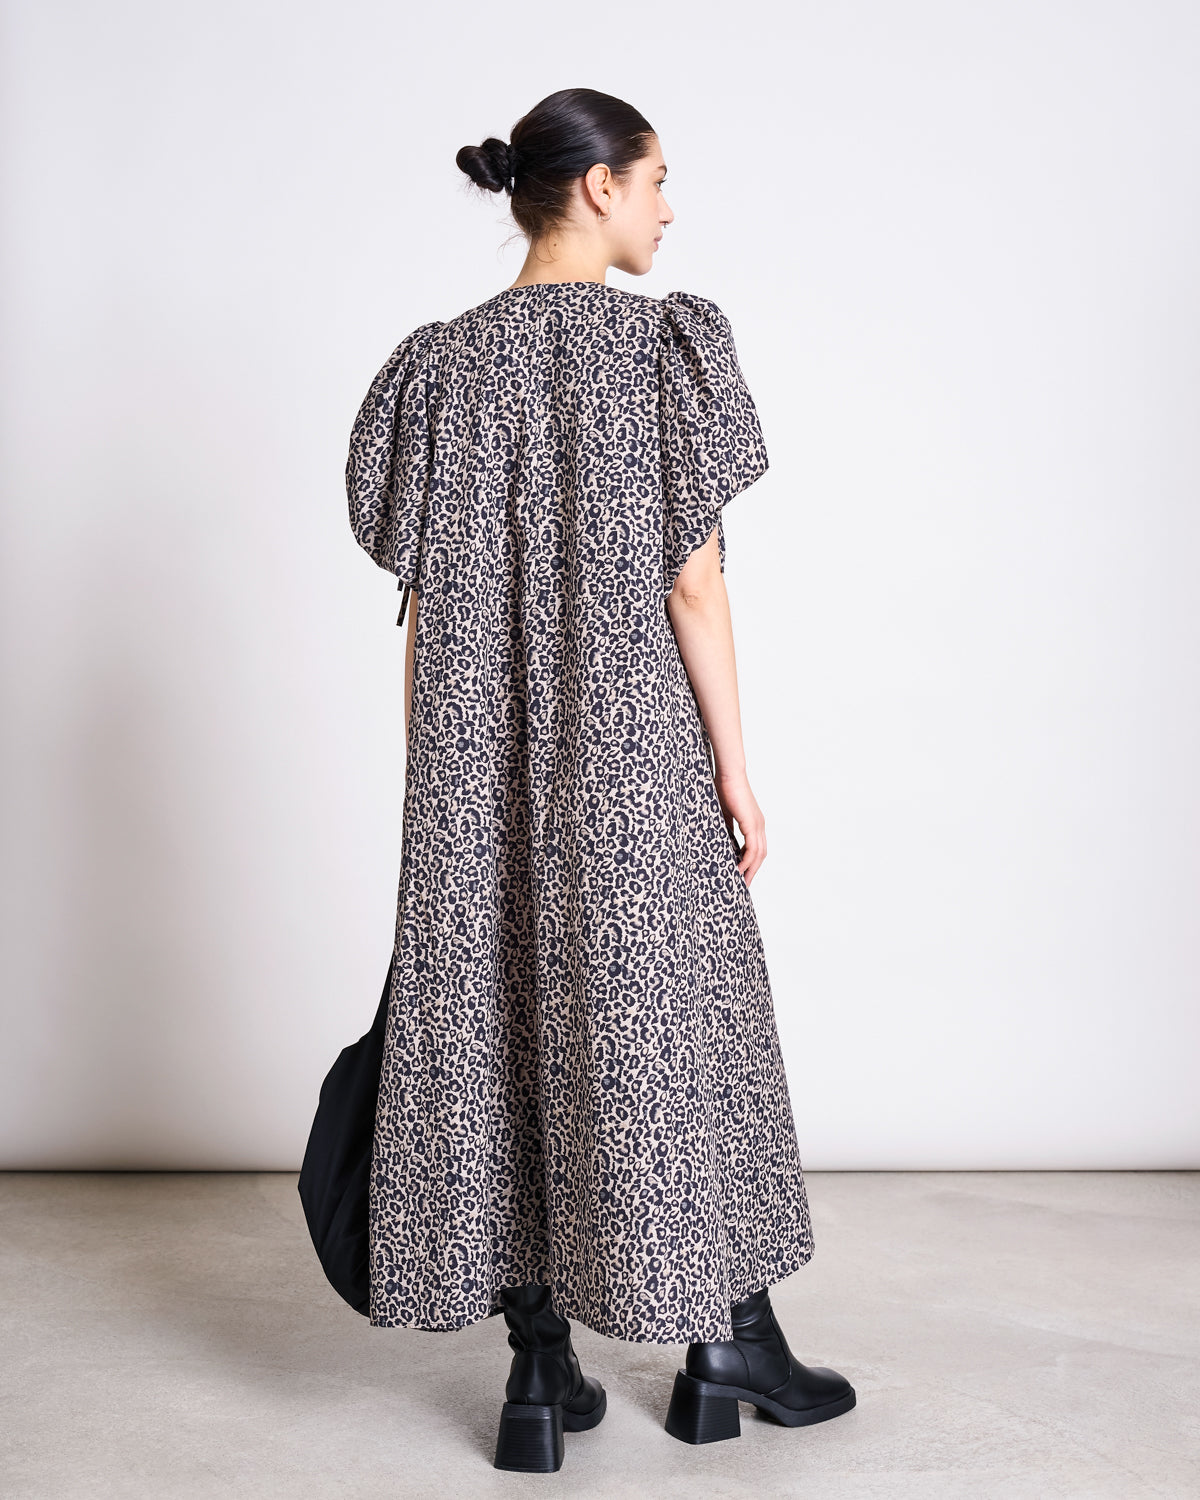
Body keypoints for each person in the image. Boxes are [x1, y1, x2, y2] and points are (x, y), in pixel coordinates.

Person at [343, 86, 855, 1475]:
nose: (671, 208)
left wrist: (443, 793)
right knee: (676, 1027)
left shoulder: (435, 371)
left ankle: (537, 1370)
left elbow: (422, 611)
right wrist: (736, 769)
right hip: (632, 759)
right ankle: (727, 1344)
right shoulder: (664, 350)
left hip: (475, 773)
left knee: (503, 1025)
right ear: (599, 187)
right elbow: (694, 583)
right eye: (659, 178)